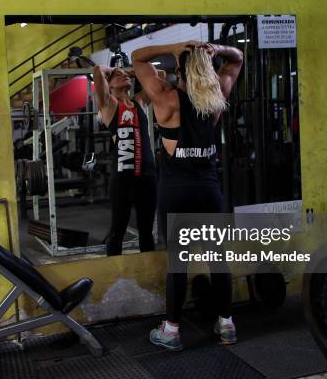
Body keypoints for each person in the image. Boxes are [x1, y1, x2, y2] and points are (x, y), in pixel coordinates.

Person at [132, 40, 243, 350]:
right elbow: (237, 58)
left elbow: (137, 58)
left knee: (178, 264)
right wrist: (216, 49)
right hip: (208, 190)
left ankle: (171, 330)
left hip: (176, 192)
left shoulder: (166, 98)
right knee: (218, 260)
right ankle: (227, 325)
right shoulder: (216, 96)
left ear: (177, 67)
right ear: (208, 66)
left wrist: (175, 46)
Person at [93, 65, 157, 256]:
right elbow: (97, 71)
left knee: (147, 232)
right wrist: (115, 69)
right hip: (123, 179)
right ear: (109, 86)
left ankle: (149, 277)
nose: (124, 76)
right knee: (117, 232)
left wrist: (127, 72)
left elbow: (159, 74)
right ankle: (115, 280)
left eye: (126, 75)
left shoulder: (139, 101)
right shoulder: (109, 104)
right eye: (117, 76)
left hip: (147, 177)